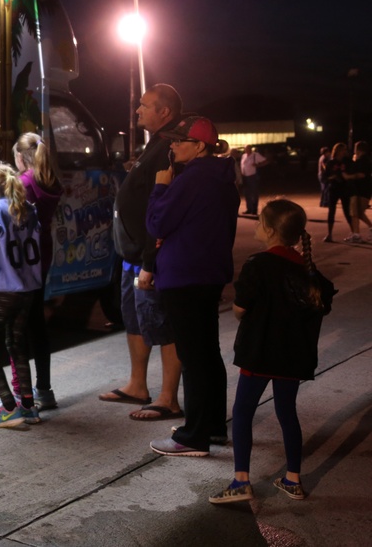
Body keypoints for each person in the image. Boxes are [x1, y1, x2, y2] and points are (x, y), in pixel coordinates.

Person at [209, 199, 335, 503]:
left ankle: (241, 481)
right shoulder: (307, 270)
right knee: (286, 412)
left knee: (242, 411)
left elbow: (240, 310)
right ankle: (293, 479)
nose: (254, 226)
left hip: (260, 352)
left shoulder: (258, 265)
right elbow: (321, 304)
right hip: (293, 357)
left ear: (268, 230)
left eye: (257, 222)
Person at [145, 116, 240, 456]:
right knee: (207, 353)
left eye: (178, 140)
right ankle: (212, 427)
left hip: (184, 276)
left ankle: (193, 437)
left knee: (193, 358)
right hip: (208, 274)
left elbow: (157, 223)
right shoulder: (223, 178)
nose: (171, 145)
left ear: (199, 146)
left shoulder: (192, 179)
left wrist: (160, 187)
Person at [98, 84, 184, 423]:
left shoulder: (167, 149)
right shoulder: (154, 146)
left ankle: (168, 399)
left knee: (160, 324)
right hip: (131, 254)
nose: (137, 111)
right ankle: (137, 385)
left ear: (164, 113)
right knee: (134, 319)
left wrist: (150, 261)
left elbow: (161, 211)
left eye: (145, 106)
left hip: (148, 259)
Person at [0, 133, 62, 414]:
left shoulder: (25, 184)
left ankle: (22, 394)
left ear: (20, 157)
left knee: (16, 329)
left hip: (19, 261)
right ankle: (45, 390)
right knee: (37, 324)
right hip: (40, 255)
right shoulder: (49, 182)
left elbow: (0, 212)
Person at [0, 162, 44, 427]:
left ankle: (8, 407)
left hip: (4, 289)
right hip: (28, 289)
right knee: (16, 344)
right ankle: (28, 405)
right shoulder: (29, 210)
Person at [322, 142, 353, 242]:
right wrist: (333, 177)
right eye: (343, 149)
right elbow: (325, 177)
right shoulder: (331, 163)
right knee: (331, 211)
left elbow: (351, 173)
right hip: (334, 188)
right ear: (338, 151)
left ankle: (354, 233)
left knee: (347, 211)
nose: (345, 151)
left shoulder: (347, 161)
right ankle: (329, 234)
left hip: (345, 188)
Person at [342, 140, 371, 243]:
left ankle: (357, 234)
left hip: (361, 190)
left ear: (359, 149)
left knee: (355, 213)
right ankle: (357, 233)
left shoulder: (362, 161)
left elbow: (362, 175)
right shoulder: (365, 160)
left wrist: (348, 176)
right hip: (363, 190)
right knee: (357, 213)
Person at [240, 145, 267, 216]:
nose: (247, 150)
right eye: (246, 149)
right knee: (247, 193)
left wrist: (258, 165)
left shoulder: (255, 155)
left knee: (254, 193)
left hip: (252, 176)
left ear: (251, 149)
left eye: (248, 149)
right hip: (245, 177)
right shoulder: (244, 156)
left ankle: (254, 210)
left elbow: (265, 161)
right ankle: (249, 209)